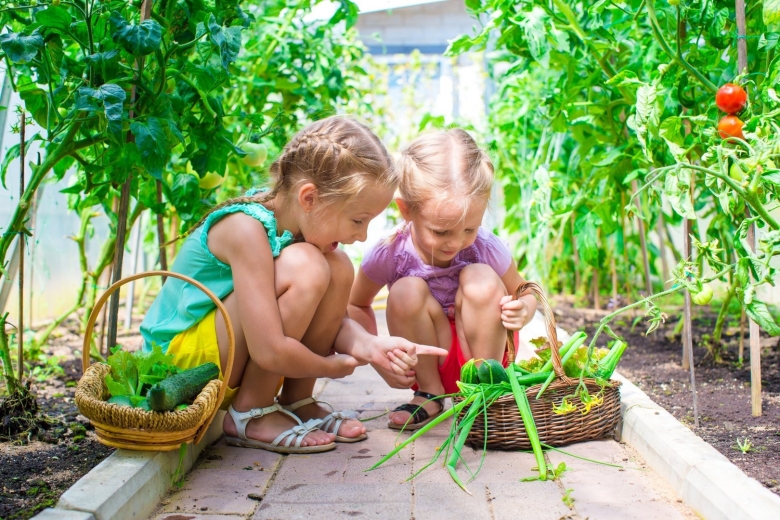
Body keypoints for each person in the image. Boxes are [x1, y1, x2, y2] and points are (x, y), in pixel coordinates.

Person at [140, 116, 446, 454]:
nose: (361, 236)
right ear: (309, 198)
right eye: (357, 220)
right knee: (309, 265)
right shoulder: (244, 229)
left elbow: (333, 324)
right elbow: (269, 349)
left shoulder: (294, 228)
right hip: (180, 366)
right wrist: (328, 367)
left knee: (338, 266)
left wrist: (372, 346)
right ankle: (251, 411)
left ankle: (297, 401)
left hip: (220, 355)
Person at [348, 129, 538, 431]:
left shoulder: (485, 246)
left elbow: (526, 291)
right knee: (405, 290)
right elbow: (356, 304)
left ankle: (484, 392)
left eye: (469, 229)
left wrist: (524, 309)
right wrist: (374, 354)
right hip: (429, 358)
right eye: (441, 231)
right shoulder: (390, 253)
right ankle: (430, 394)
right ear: (406, 210)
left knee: (480, 276)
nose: (456, 242)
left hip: (483, 352)